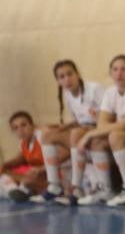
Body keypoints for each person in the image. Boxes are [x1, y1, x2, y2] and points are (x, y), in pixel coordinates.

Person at [73, 54, 125, 206]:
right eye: (115, 69)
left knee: (114, 136)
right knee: (98, 141)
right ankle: (106, 189)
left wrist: (89, 133)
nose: (119, 73)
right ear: (110, 73)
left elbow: (123, 125)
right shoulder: (111, 92)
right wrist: (95, 133)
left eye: (124, 69)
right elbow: (102, 124)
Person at [32, 59, 103, 204]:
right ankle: (54, 186)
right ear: (57, 81)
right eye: (62, 77)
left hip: (100, 130)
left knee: (76, 133)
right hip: (83, 130)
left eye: (70, 74)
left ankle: (76, 188)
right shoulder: (68, 95)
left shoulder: (94, 89)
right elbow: (79, 120)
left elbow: (109, 116)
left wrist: (89, 130)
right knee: (47, 135)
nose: (67, 79)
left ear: (77, 74)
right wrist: (59, 128)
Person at [0, 111, 47, 202]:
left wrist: (41, 169)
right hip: (34, 175)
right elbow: (19, 159)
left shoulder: (42, 137)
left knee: (25, 180)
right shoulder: (24, 143)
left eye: (24, 125)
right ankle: (14, 190)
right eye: (16, 128)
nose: (20, 130)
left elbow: (59, 162)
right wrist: (2, 165)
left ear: (32, 125)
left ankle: (15, 189)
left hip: (51, 176)